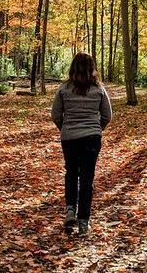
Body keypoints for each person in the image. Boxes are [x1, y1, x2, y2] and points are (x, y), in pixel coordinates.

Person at [51, 52, 112, 235]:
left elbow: (55, 115)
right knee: (87, 178)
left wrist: (65, 128)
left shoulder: (63, 89)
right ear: (92, 68)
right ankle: (84, 222)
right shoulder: (99, 90)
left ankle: (70, 209)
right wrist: (96, 129)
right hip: (92, 138)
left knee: (71, 172)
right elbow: (107, 116)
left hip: (69, 137)